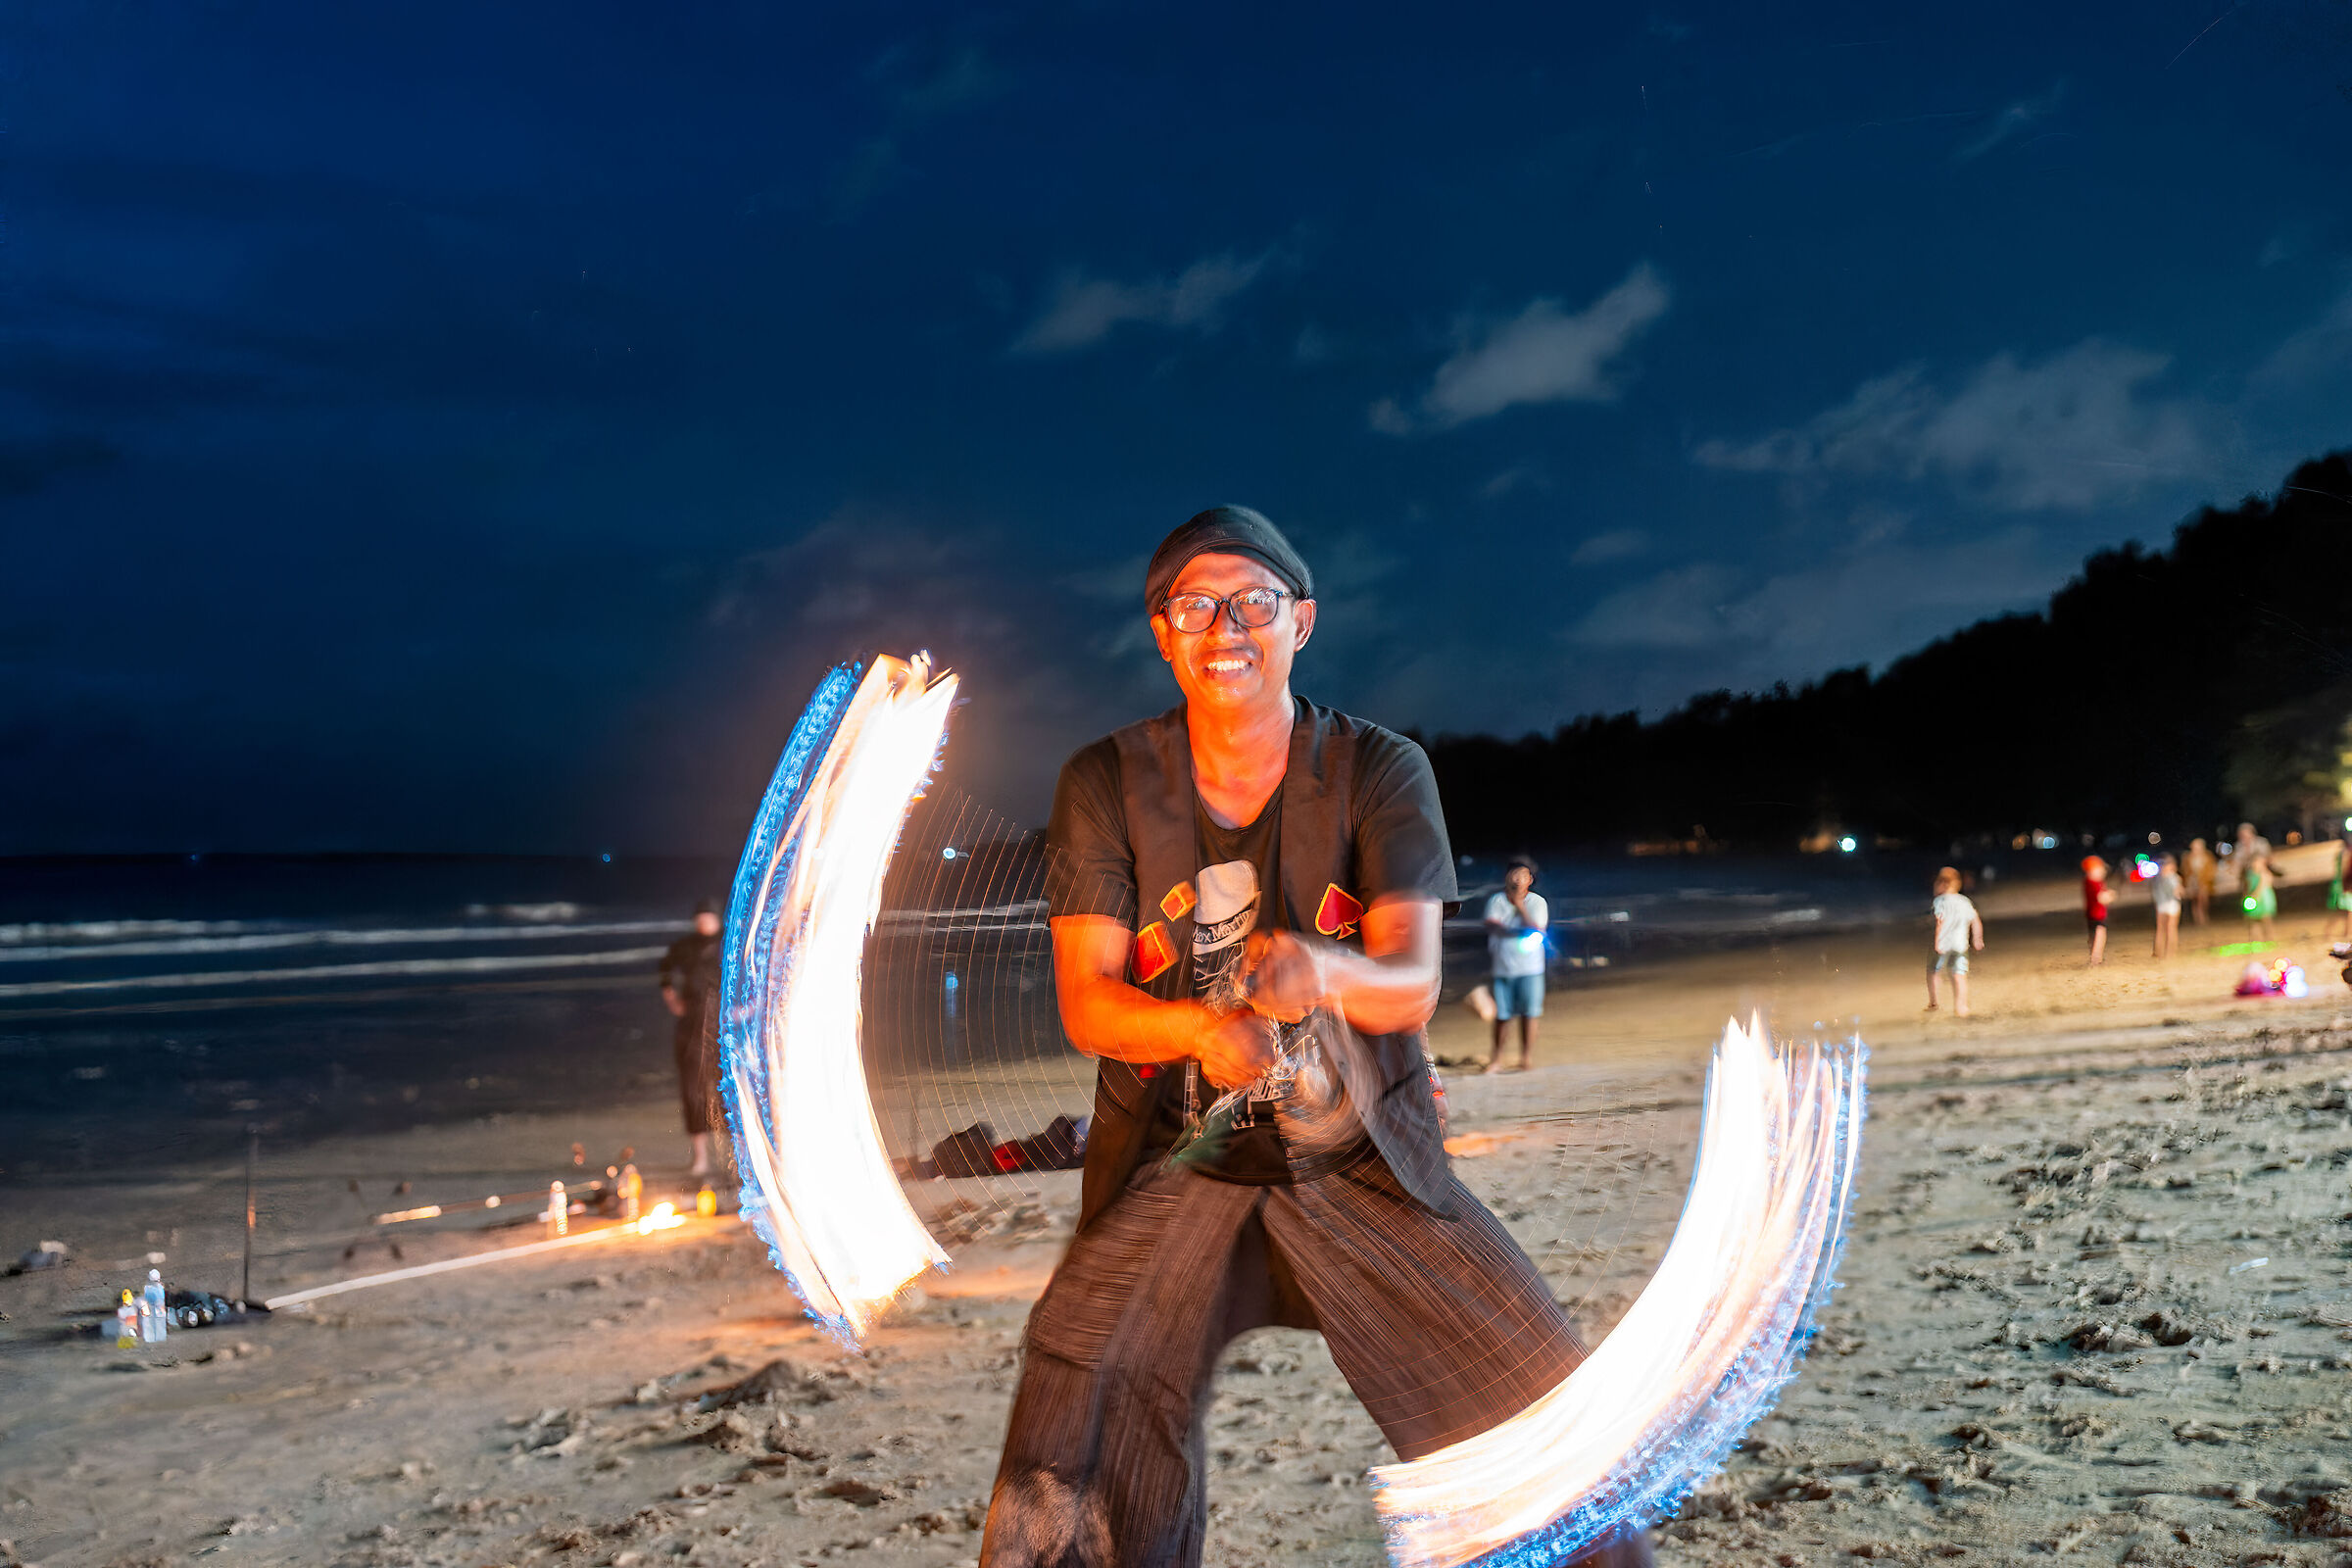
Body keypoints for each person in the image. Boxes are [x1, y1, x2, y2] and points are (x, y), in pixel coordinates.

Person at [984, 506, 1649, 1568]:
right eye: (1195, 606)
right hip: (1165, 1165)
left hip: (1362, 1154)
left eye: (1252, 602)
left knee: (1535, 1434)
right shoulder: (1105, 781)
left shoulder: (1378, 768)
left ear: (1300, 621)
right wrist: (1202, 1028)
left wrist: (1322, 971)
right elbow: (1090, 1002)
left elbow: (1410, 986)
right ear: (1162, 634)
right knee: (1072, 1462)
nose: (1225, 628)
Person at [659, 899, 725, 1176]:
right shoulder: (684, 947)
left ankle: (737, 1160)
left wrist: (748, 1007)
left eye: (709, 917)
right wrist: (672, 999)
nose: (704, 922)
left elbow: (757, 971)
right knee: (692, 1090)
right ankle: (701, 1159)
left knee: (728, 1090)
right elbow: (665, 969)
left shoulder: (730, 943)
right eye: (700, 917)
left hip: (723, 1026)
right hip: (691, 1027)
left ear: (718, 919)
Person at [1484, 856, 1548, 1073]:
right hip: (1502, 967)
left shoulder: (1537, 902)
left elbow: (1537, 929)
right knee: (1502, 1016)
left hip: (1531, 968)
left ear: (1530, 879)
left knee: (1530, 1014)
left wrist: (1520, 904)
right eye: (1514, 873)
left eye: (1523, 874)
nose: (1517, 879)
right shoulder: (1497, 901)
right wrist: (1520, 931)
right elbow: (1492, 925)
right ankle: (1496, 1059)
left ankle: (1526, 1058)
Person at [1925, 866, 1984, 1014]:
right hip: (1960, 945)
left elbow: (1940, 922)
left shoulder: (1940, 901)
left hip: (1943, 944)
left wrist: (1937, 942)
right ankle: (1961, 1006)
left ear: (1942, 884)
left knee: (1933, 972)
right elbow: (1975, 920)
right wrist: (1977, 939)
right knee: (1959, 975)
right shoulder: (1965, 901)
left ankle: (1933, 1002)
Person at [2081, 856, 2112, 966]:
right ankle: (2096, 960)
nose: (2103, 872)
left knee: (2093, 936)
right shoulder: (2093, 883)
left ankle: (2095, 958)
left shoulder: (2091, 882)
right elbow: (2101, 898)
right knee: (2100, 936)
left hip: (2092, 914)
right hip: (2097, 915)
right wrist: (2110, 896)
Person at [2150, 853, 2182, 959]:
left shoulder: (2158, 878)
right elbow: (2177, 891)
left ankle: (2159, 953)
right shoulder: (2174, 877)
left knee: (2161, 929)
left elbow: (2155, 893)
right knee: (2172, 929)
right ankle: (2171, 953)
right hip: (2172, 904)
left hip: (2161, 905)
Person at [2243, 850, 2278, 943]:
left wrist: (2256, 896)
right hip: (2253, 898)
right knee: (2253, 921)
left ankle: (2269, 939)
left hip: (2263, 898)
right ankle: (2255, 940)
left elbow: (2266, 884)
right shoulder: (2250, 874)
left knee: (2266, 919)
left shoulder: (2264, 874)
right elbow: (2248, 887)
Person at [2182, 837, 2217, 927]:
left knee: (2203, 899)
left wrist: (2207, 879)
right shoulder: (2188, 857)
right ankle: (2198, 918)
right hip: (2193, 882)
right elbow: (2185, 870)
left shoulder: (2207, 856)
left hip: (2204, 883)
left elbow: (2211, 869)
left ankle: (2203, 915)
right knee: (2195, 900)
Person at [2328, 838, 2351, 945]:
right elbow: (2344, 870)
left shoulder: (2342, 853)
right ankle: (2347, 933)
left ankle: (2345, 931)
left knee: (2344, 910)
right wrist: (2345, 885)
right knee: (2348, 910)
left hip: (2341, 883)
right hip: (2343, 884)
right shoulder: (2346, 853)